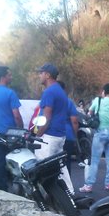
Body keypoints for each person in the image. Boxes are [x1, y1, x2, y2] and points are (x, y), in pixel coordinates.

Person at [35, 63, 74, 193]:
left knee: (42, 168)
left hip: (49, 136)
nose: (39, 76)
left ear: (48, 75)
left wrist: (38, 135)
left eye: (41, 73)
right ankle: (70, 193)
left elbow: (46, 117)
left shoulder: (49, 91)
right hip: (59, 135)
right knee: (60, 166)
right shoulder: (60, 91)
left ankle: (45, 199)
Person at [0, 66, 24, 191]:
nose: (11, 77)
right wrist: (21, 129)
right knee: (16, 160)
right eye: (9, 75)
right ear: (3, 77)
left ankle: (2, 189)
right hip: (11, 134)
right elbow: (16, 115)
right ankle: (19, 188)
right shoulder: (9, 93)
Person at [79, 83, 109, 192]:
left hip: (101, 132)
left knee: (95, 160)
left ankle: (89, 185)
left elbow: (90, 113)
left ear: (104, 92)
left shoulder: (98, 100)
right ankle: (108, 184)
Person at [57, 81, 80, 173]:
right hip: (68, 136)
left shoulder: (50, 100)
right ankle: (67, 186)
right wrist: (75, 136)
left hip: (53, 135)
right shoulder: (69, 102)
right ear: (64, 89)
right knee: (66, 162)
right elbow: (74, 121)